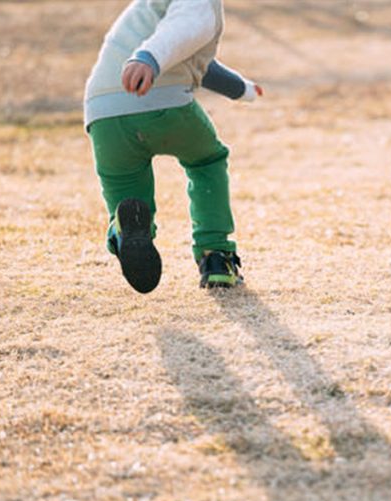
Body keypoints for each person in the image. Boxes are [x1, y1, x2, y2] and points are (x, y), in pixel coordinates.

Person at [84, 0, 262, 293]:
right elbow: (182, 30)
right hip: (161, 100)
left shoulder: (148, 7)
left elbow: (196, 60)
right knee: (207, 160)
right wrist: (148, 59)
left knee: (125, 185)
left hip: (104, 111)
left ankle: (121, 230)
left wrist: (243, 89)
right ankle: (216, 256)